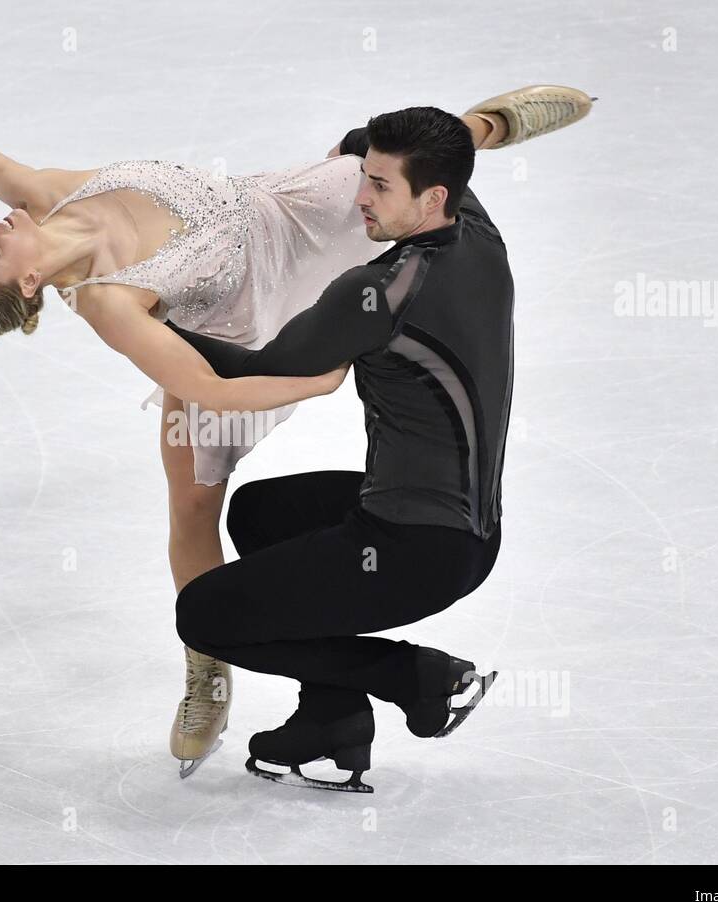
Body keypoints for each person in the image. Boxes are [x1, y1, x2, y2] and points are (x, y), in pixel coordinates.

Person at [0, 83, 591, 777]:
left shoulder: (45, 197)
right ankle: (207, 674)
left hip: (278, 209)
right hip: (241, 332)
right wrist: (317, 378)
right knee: (192, 506)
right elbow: (209, 382)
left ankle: (489, 126)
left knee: (382, 156)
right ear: (29, 280)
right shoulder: (110, 301)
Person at [171, 103, 527, 792]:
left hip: (412, 550)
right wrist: (359, 148)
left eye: (379, 186)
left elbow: (246, 374)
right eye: (363, 177)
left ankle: (414, 677)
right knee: (262, 514)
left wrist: (145, 314)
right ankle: (331, 717)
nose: (359, 196)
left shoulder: (379, 291)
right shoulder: (479, 235)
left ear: (433, 197)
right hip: (463, 531)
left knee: (206, 615)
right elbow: (392, 144)